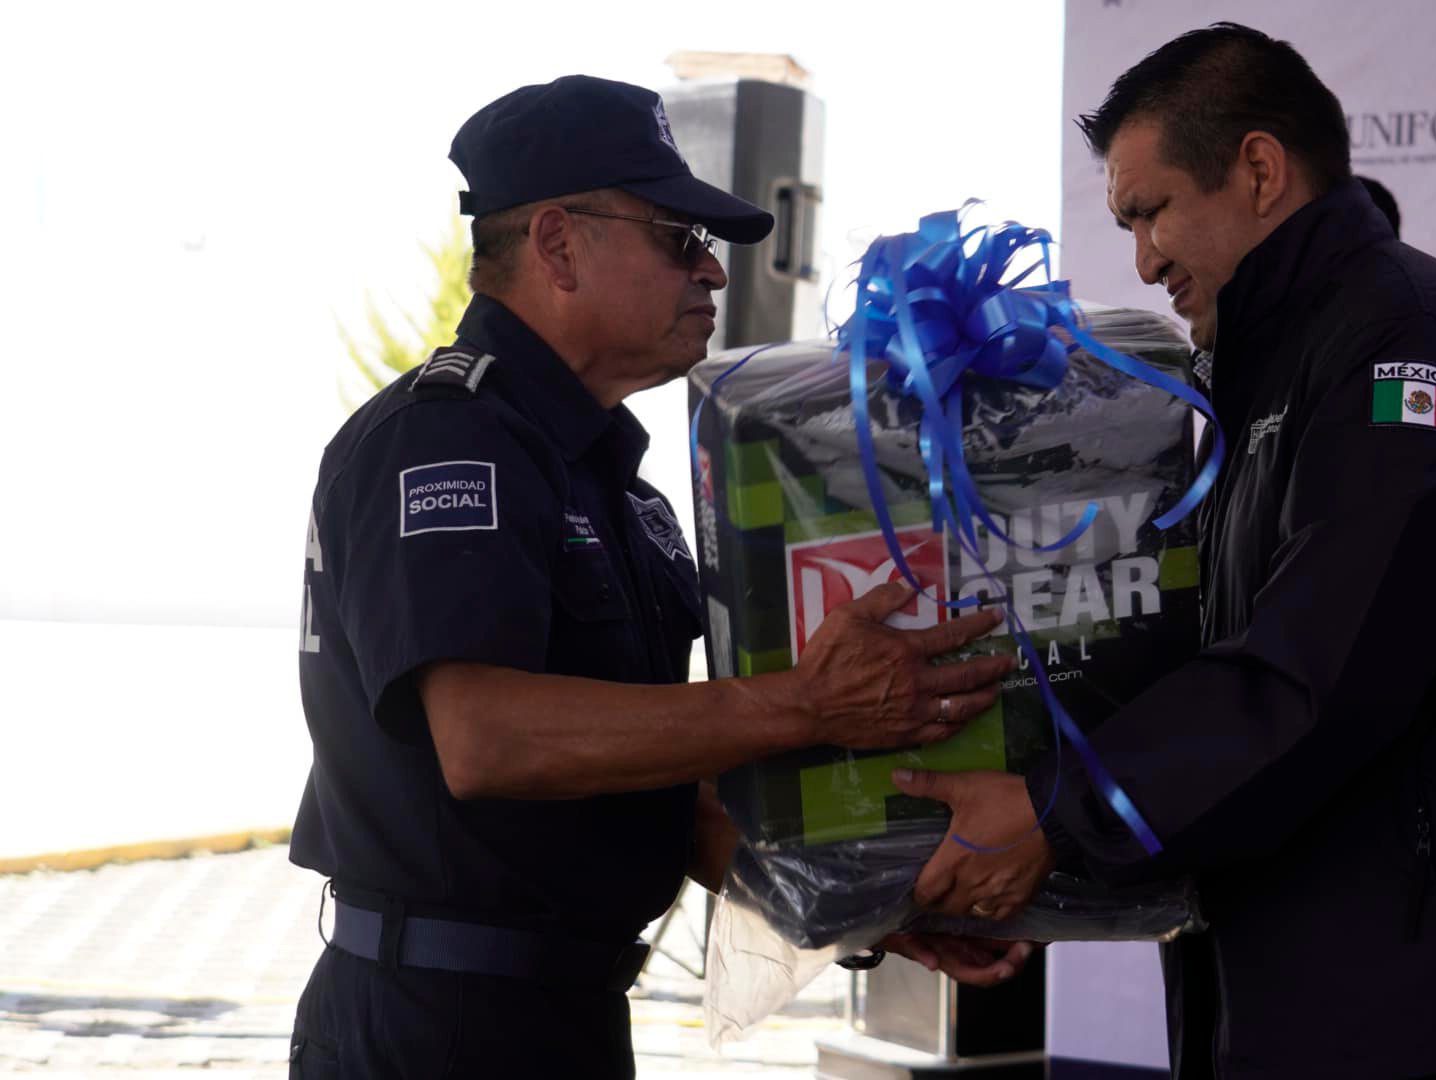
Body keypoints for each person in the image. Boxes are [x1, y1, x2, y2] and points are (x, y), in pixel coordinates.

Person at [888, 23, 1436, 1079]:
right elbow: (1199, 666)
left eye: (1151, 212)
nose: (1142, 258)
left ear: (1260, 171)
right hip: (1346, 988)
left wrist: (1058, 811)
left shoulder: (1416, 343)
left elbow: (1325, 664)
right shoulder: (1259, 370)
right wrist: (1015, 842)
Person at [288, 75, 1019, 1077]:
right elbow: (486, 738)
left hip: (569, 1017)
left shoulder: (620, 492)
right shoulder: (446, 442)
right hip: (435, 1024)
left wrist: (870, 916)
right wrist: (809, 705)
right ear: (557, 244)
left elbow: (667, 793)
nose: (712, 272)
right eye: (679, 237)